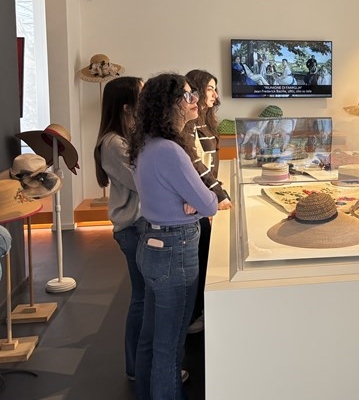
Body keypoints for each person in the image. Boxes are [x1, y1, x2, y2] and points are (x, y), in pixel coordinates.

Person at [128, 73, 219, 400]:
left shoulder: (146, 143)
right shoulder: (170, 150)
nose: (194, 100)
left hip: (152, 244)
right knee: (169, 347)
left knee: (151, 340)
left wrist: (189, 203)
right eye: (187, 95)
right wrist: (193, 205)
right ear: (170, 104)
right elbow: (209, 203)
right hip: (175, 250)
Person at [93, 76, 145, 381]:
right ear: (127, 106)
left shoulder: (125, 137)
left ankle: (138, 365)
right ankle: (136, 366)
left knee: (144, 296)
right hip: (133, 227)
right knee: (141, 297)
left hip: (137, 224)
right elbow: (141, 180)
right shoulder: (113, 143)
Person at [182, 70, 233, 334]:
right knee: (201, 257)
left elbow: (207, 164)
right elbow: (195, 163)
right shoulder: (190, 126)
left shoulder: (205, 122)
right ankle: (195, 315)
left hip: (204, 198)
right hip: (198, 202)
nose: (215, 95)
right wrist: (218, 193)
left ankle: (201, 311)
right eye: (211, 89)